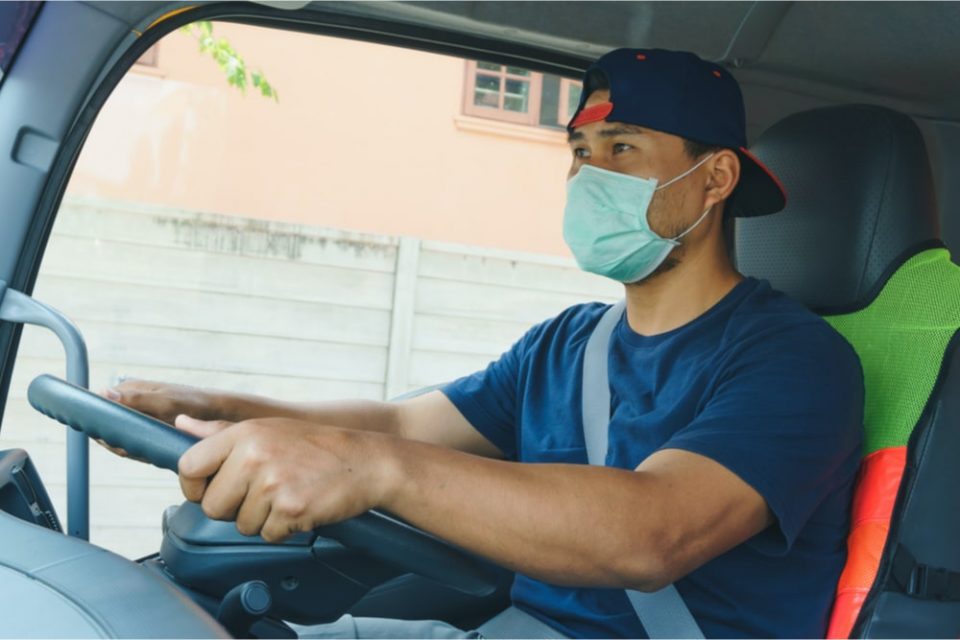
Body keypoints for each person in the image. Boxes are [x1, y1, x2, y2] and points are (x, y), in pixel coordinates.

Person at [103, 48, 864, 638]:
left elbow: (651, 530)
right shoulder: (570, 343)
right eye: (580, 150)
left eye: (623, 148)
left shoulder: (795, 361)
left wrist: (370, 469)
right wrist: (221, 408)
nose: (587, 175)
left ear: (716, 178)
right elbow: (402, 424)